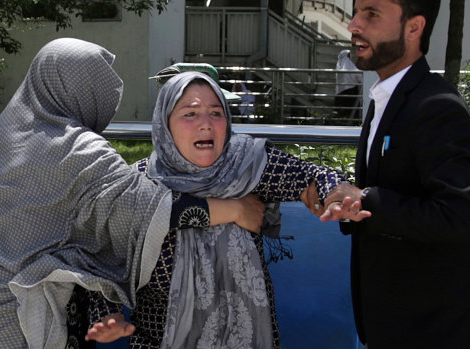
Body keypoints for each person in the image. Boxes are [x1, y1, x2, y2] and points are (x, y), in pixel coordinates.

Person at [0, 38, 266, 348]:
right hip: (19, 324)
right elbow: (150, 209)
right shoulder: (75, 150)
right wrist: (234, 210)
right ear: (81, 89)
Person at [70, 71, 370, 348]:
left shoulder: (248, 165)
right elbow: (99, 258)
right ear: (165, 124)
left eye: (216, 113)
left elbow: (310, 175)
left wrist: (335, 191)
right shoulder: (138, 184)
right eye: (190, 114)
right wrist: (106, 315)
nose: (206, 123)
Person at [305, 1, 470, 348]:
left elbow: (457, 216)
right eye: (356, 12)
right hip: (396, 323)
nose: (353, 25)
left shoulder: (437, 106)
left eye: (371, 14)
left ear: (414, 28)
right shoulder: (386, 97)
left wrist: (366, 200)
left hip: (437, 328)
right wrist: (351, 208)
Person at [334, 49, 362, 119]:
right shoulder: (348, 64)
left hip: (340, 91)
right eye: (349, 55)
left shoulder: (339, 65)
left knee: (342, 110)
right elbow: (358, 75)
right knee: (351, 108)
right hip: (350, 89)